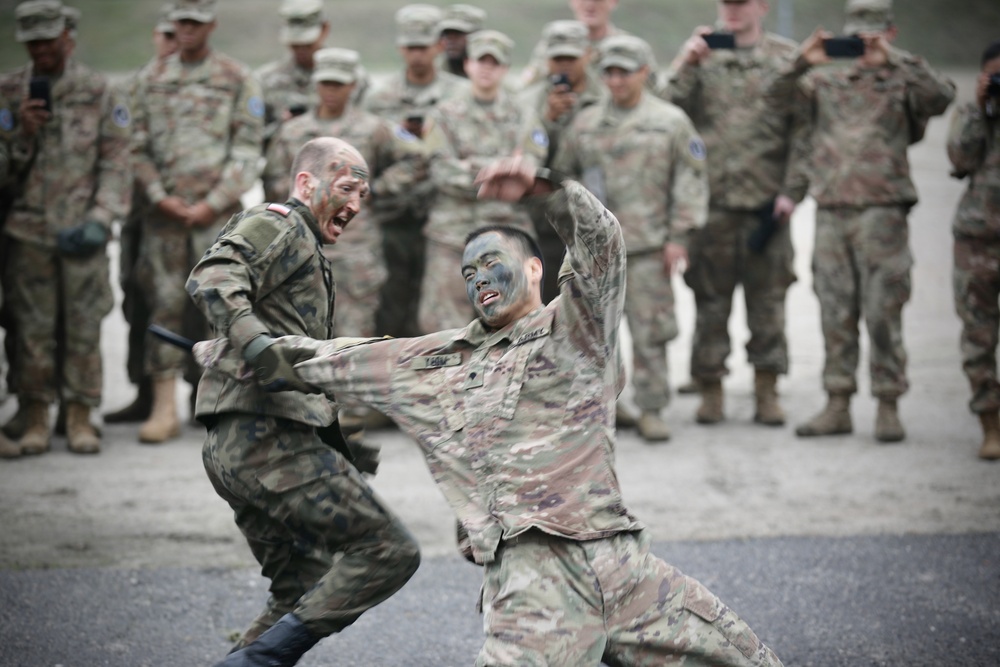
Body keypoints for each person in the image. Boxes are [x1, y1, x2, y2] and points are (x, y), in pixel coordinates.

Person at [196, 154, 782, 667]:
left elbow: (603, 245)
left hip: (626, 565)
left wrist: (547, 189)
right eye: (468, 272)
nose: (479, 278)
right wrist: (235, 348)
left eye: (491, 261)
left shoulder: (577, 330)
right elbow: (334, 358)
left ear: (534, 268)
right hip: (534, 584)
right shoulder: (438, 360)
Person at [187, 137, 420, 667]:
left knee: (302, 587)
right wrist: (256, 344)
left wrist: (335, 445)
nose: (356, 204)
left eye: (363, 193)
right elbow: (213, 275)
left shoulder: (307, 246)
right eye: (346, 188)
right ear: (305, 184)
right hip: (264, 440)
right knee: (389, 551)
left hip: (239, 445)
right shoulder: (280, 225)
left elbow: (297, 365)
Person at [764, 0, 956, 442]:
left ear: (890, 34)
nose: (863, 46)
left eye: (872, 37)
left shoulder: (903, 82)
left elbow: (943, 97)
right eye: (856, 36)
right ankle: (838, 402)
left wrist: (897, 60)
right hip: (832, 211)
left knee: (882, 311)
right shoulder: (824, 83)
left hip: (882, 213)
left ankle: (888, 403)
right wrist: (800, 62)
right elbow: (772, 100)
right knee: (835, 310)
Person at [263, 47, 427, 445]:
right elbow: (272, 181)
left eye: (339, 83)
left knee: (354, 331)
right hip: (302, 250)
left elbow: (417, 160)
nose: (331, 90)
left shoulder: (373, 129)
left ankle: (350, 418)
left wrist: (373, 191)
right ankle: (306, 414)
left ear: (353, 85)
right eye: (325, 82)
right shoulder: (293, 133)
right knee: (302, 331)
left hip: (356, 250)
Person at [552, 35, 709, 442]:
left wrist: (679, 237)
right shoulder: (585, 122)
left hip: (649, 245)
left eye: (625, 72)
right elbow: (561, 177)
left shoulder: (671, 120)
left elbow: (690, 181)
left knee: (651, 330)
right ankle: (606, 406)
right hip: (596, 251)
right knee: (592, 334)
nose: (616, 81)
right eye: (609, 72)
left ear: (644, 72)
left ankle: (652, 407)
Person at [666, 0, 808, 426]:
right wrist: (687, 61)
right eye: (725, 3)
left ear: (763, 6)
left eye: (741, 3)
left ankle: (767, 389)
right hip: (713, 207)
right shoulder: (701, 55)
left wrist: (793, 191)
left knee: (768, 303)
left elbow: (803, 130)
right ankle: (711, 389)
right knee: (710, 303)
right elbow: (661, 110)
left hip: (768, 208)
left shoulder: (787, 60)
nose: (731, 11)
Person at [0, 0, 131, 455]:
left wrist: (101, 217)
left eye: (48, 40)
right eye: (31, 42)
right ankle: (35, 413)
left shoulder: (98, 90)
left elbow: (117, 163)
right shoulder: (9, 92)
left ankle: (79, 414)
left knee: (83, 327)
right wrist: (22, 133)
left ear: (66, 37)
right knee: (30, 330)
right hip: (27, 232)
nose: (40, 50)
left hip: (82, 231)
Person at [130, 0, 265, 443]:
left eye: (195, 22)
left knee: (221, 307)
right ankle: (164, 406)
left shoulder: (236, 78)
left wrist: (214, 201)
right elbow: (135, 146)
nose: (186, 30)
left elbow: (248, 147)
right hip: (163, 219)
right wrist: (159, 196)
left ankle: (220, 402)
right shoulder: (148, 80)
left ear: (211, 25)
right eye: (180, 22)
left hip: (218, 220)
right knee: (163, 303)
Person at [419, 29, 547, 333]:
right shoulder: (443, 114)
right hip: (452, 237)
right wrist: (496, 168)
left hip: (508, 238)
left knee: (515, 323)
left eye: (495, 62)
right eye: (481, 60)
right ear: (467, 64)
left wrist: (469, 164)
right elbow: (441, 171)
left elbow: (528, 169)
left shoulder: (523, 115)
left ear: (504, 69)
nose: (487, 68)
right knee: (443, 327)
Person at [363, 4, 467, 339]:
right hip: (392, 217)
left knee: (439, 313)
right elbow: (367, 153)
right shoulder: (379, 98)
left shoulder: (460, 95)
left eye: (423, 47)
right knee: (389, 308)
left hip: (443, 217)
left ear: (439, 46)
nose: (417, 55)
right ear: (400, 48)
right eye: (411, 48)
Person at [104, 2, 179, 425]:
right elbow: (120, 147)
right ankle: (144, 392)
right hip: (141, 214)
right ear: (155, 37)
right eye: (165, 35)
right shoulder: (135, 87)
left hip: (191, 214)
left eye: (178, 35)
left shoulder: (207, 82)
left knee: (187, 305)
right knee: (139, 301)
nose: (171, 43)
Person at [518, 19, 607, 304]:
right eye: (558, 59)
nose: (565, 65)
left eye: (572, 57)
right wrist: (548, 119)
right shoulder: (527, 101)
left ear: (588, 54)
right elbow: (523, 155)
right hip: (543, 222)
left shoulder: (607, 97)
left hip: (597, 222)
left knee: (599, 315)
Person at [947, 40, 1000, 461]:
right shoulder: (976, 114)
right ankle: (990, 424)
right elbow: (960, 160)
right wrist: (979, 108)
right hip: (978, 239)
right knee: (978, 337)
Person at [255, 0, 370, 150]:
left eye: (307, 44)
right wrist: (283, 127)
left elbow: (369, 131)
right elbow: (252, 139)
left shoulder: (354, 78)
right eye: (295, 45)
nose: (301, 50)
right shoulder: (266, 80)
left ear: (324, 29)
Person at [437, 4, 487, 78]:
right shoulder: (434, 73)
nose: (451, 40)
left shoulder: (492, 76)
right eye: (446, 34)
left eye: (458, 34)